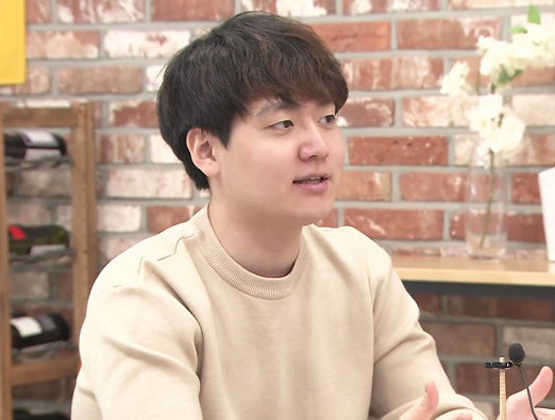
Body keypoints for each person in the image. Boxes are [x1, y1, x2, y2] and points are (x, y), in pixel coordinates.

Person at [71, 11, 554, 420]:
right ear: (207, 150)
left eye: (327, 119)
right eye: (282, 124)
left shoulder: (360, 268)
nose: (317, 146)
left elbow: (428, 403)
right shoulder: (143, 292)